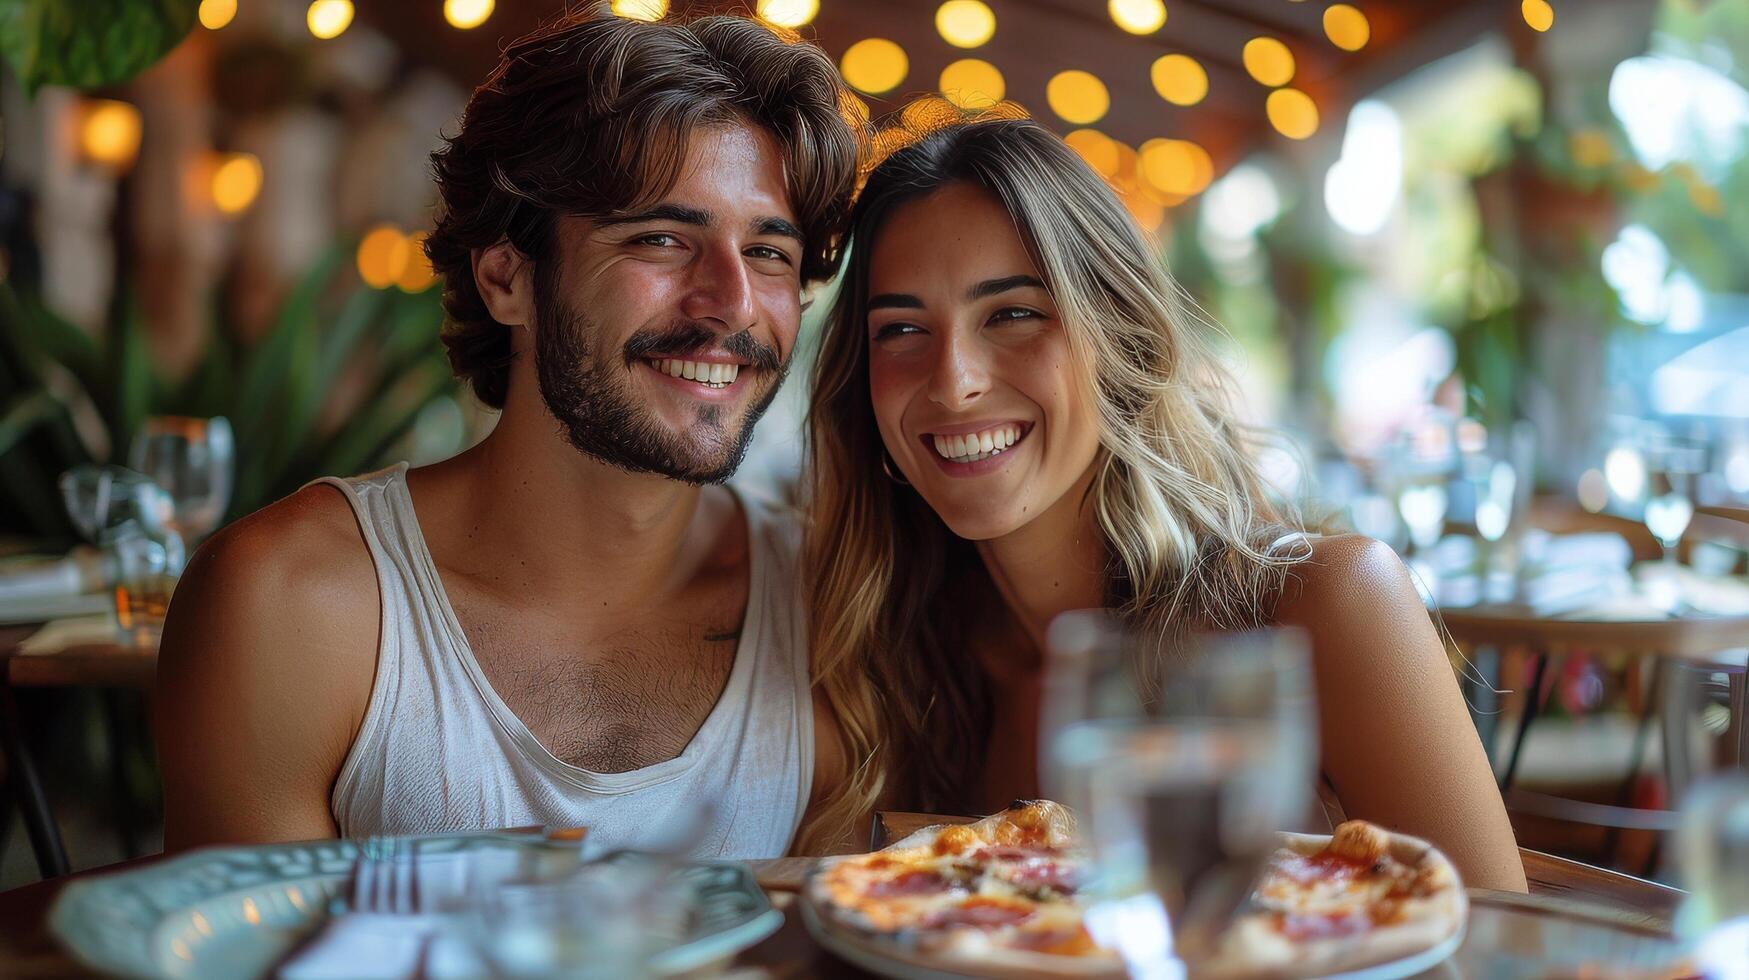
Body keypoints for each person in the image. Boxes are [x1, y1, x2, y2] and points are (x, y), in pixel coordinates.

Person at [156, 6, 859, 858]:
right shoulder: (292, 603)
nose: (734, 303)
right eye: (662, 238)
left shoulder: (834, 605)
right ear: (505, 278)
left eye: (769, 253)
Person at [799, 117, 1527, 891]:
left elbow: (1490, 950)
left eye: (1012, 313)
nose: (953, 381)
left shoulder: (1322, 606)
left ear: (1119, 335)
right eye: (902, 329)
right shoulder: (884, 660)